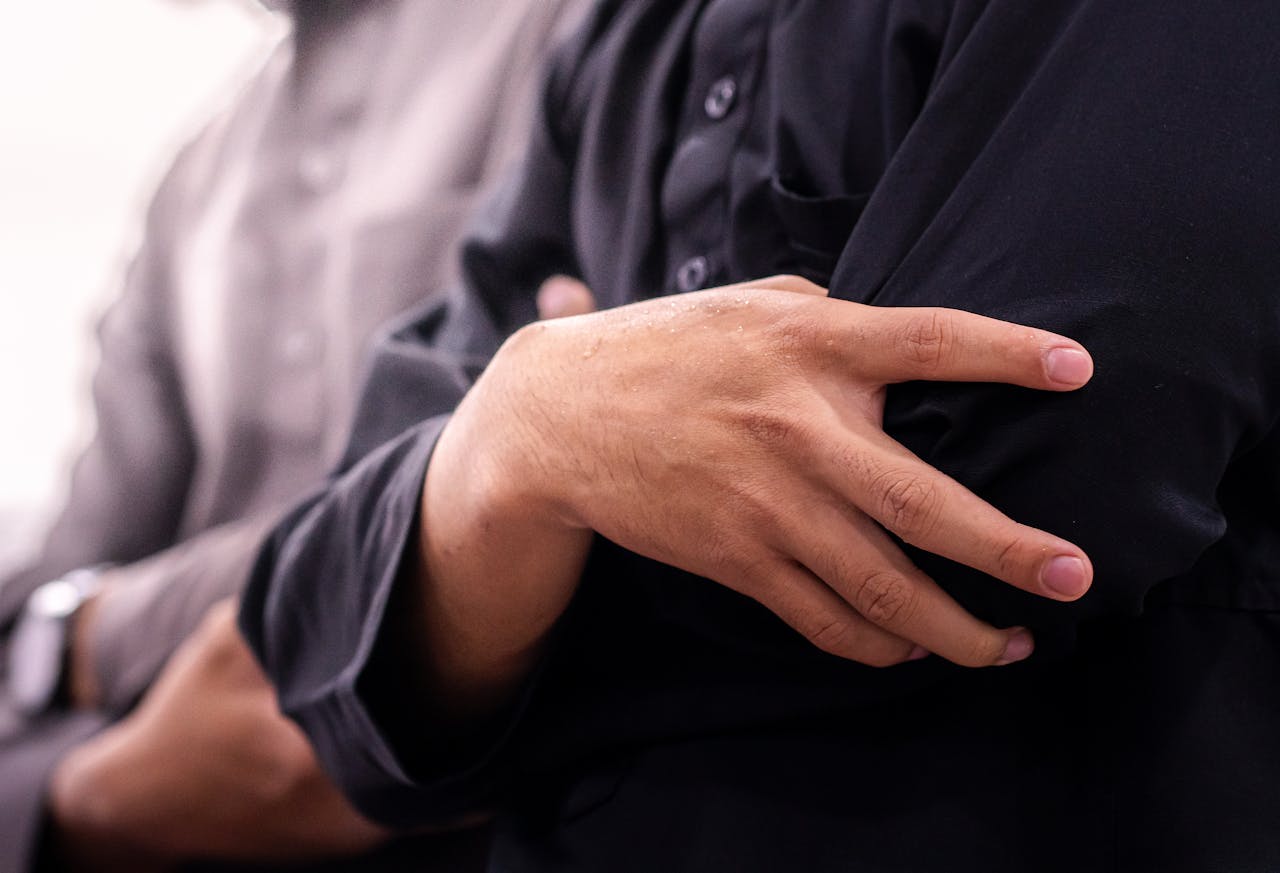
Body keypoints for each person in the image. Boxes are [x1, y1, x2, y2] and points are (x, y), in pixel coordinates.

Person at [242, 0, 1280, 870]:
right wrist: (526, 421)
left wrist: (494, 523)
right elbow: (311, 631)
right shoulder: (615, 40)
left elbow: (1022, 503)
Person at [0, 0, 593, 870]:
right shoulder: (196, 173)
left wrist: (94, 631)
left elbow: (508, 478)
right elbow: (48, 595)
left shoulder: (579, 39)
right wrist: (92, 796)